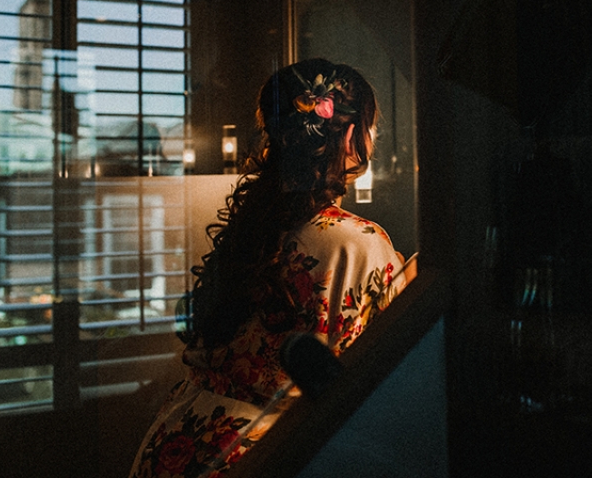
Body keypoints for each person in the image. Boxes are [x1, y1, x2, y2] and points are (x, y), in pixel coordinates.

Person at [128, 58, 415, 478]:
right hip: (264, 452)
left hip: (184, 436)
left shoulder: (253, 223)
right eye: (370, 128)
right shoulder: (356, 242)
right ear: (351, 135)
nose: (371, 137)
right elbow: (381, 373)